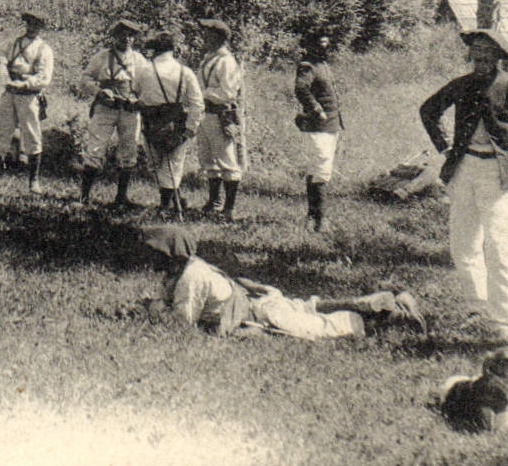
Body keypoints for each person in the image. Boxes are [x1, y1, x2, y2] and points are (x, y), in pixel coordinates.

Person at [419, 28, 508, 345]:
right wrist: (445, 146)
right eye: (476, 55)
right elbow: (429, 110)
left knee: (498, 246)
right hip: (464, 169)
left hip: (498, 174)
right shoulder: (463, 85)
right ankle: (476, 309)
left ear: (500, 57)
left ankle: (504, 322)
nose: (481, 61)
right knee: (463, 244)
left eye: (487, 55)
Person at [137, 226, 425, 339]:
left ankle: (393, 316)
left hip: (261, 314)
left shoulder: (191, 278)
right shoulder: (184, 271)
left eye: (155, 254)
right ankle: (379, 303)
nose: (151, 261)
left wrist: (154, 308)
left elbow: (180, 323)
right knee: (307, 309)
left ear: (171, 255)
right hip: (260, 304)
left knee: (322, 329)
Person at [0, 11, 56, 194]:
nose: (32, 28)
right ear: (26, 24)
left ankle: (34, 181)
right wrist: (3, 66)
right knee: (1, 133)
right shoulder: (13, 42)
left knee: (31, 136)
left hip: (29, 96)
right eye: (29, 24)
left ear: (41, 28)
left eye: (36, 25)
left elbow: (44, 77)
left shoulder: (44, 49)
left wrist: (25, 83)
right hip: (9, 92)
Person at [80, 19, 152, 206]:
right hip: (105, 108)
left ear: (134, 38)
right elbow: (85, 78)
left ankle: (121, 197)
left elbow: (148, 85)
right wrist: (99, 91)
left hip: (129, 109)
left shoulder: (139, 60)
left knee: (129, 150)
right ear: (114, 36)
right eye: (122, 34)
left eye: (130, 35)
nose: (126, 39)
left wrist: (138, 99)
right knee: (95, 148)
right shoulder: (102, 56)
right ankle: (84, 196)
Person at [134, 32, 204, 218]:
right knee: (173, 163)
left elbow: (135, 93)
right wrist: (191, 128)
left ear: (155, 50)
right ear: (173, 50)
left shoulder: (144, 70)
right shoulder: (185, 72)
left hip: (151, 124)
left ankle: (166, 204)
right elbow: (197, 103)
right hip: (176, 124)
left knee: (156, 165)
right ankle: (171, 203)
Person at [195, 19, 246, 221]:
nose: (204, 38)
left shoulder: (227, 62)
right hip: (205, 114)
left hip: (220, 115)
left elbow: (227, 93)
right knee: (207, 158)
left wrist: (201, 93)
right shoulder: (209, 58)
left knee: (227, 160)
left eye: (208, 34)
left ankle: (230, 207)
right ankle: (214, 201)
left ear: (219, 37)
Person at [294, 29, 344, 233]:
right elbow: (301, 89)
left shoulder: (323, 66)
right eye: (320, 43)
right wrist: (316, 109)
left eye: (326, 43)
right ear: (310, 45)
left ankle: (312, 216)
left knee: (319, 167)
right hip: (318, 124)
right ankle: (320, 219)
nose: (324, 47)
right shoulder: (308, 66)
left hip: (331, 124)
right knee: (321, 167)